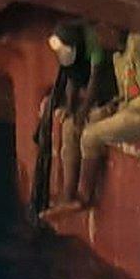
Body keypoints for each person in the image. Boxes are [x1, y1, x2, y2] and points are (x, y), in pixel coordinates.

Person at [75, 32, 140, 206]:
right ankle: (76, 189)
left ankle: (83, 198)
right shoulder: (118, 56)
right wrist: (115, 105)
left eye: (99, 30)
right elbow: (127, 93)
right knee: (91, 119)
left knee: (90, 136)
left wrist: (128, 108)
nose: (97, 38)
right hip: (134, 110)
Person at [48, 21, 116, 206]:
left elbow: (96, 79)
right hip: (90, 100)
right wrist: (71, 108)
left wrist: (83, 111)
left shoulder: (93, 45)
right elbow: (72, 77)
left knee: (90, 129)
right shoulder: (68, 51)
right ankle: (68, 191)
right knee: (69, 128)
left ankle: (83, 195)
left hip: (109, 98)